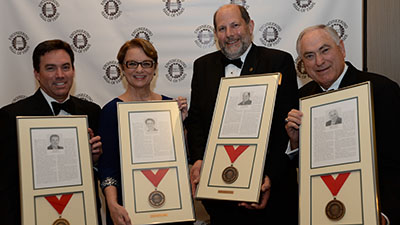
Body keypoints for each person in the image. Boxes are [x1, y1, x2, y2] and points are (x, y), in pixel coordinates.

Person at [185, 4, 299, 224]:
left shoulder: (278, 62)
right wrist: (198, 158)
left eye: (235, 25)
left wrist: (268, 176)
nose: (229, 34)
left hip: (270, 192)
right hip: (221, 195)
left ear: (250, 26)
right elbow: (197, 120)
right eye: (222, 28)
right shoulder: (203, 67)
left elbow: (284, 128)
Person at [285, 24, 400, 225]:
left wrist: (385, 214)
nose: (319, 62)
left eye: (325, 50)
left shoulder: (382, 90)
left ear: (342, 48)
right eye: (309, 56)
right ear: (303, 63)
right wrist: (295, 143)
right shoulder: (301, 101)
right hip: (320, 213)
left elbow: (396, 162)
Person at [0, 39, 103, 225]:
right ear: (36, 74)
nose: (60, 75)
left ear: (73, 70)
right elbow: (5, 185)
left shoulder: (93, 112)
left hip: (82, 214)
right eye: (50, 68)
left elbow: (100, 173)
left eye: (66, 67)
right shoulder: (11, 116)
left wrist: (94, 161)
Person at [97, 38, 190, 225]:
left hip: (170, 205)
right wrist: (112, 203)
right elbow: (107, 166)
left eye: (146, 63)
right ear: (122, 68)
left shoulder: (169, 108)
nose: (139, 70)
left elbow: (182, 160)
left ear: (154, 68)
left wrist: (182, 125)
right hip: (128, 210)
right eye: (132, 64)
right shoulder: (110, 111)